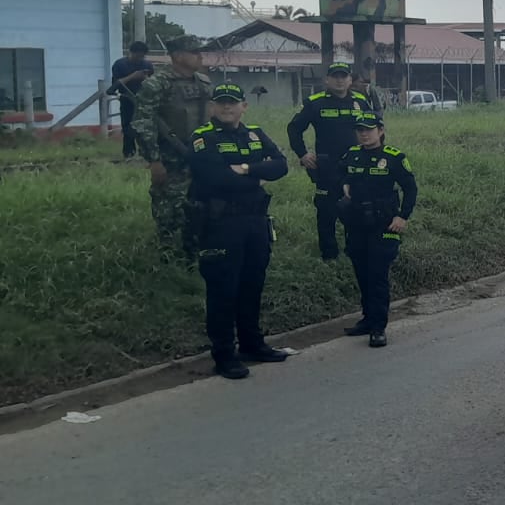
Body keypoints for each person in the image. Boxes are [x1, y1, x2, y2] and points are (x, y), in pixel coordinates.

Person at [186, 82, 291, 379]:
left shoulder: (255, 134)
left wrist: (245, 169)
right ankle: (224, 354)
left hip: (256, 222)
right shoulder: (202, 138)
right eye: (221, 102)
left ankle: (251, 344)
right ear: (212, 107)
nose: (227, 107)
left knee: (252, 284)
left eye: (232, 102)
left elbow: (281, 166)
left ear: (244, 106)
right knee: (223, 289)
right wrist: (258, 174)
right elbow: (215, 178)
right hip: (221, 224)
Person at [337, 114, 418, 348]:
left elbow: (410, 189)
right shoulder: (351, 155)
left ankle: (378, 327)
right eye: (360, 130)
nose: (364, 134)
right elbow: (337, 173)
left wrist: (403, 216)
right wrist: (342, 183)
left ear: (380, 130)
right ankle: (367, 319)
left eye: (369, 129)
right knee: (362, 273)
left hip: (383, 225)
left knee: (377, 274)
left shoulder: (393, 157)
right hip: (356, 224)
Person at [133, 35, 212, 256]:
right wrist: (154, 160)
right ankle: (167, 252)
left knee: (199, 204)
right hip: (170, 157)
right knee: (168, 207)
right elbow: (143, 123)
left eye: (200, 51)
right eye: (194, 52)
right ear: (177, 56)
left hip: (201, 156)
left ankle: (194, 250)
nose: (200, 56)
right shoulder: (156, 84)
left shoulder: (204, 82)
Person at [287, 62, 372, 260]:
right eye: (335, 76)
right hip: (327, 168)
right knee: (326, 212)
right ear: (327, 80)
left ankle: (355, 252)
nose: (340, 80)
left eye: (344, 76)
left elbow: (374, 128)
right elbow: (294, 128)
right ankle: (329, 255)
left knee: (357, 208)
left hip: (356, 166)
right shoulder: (315, 102)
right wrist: (303, 154)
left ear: (350, 80)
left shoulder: (361, 101)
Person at [109, 41, 154, 159]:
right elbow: (116, 84)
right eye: (137, 56)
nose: (139, 59)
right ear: (131, 53)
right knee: (128, 126)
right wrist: (133, 76)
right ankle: (129, 153)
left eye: (142, 56)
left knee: (145, 127)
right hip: (127, 99)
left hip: (144, 100)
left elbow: (153, 82)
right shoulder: (120, 64)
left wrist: (146, 78)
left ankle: (145, 153)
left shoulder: (147, 65)